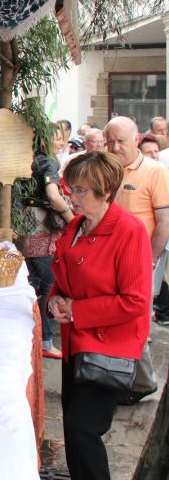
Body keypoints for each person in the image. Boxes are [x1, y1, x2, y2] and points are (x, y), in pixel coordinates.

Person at [48, 151, 152, 480]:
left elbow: (135, 301)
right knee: (73, 426)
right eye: (70, 188)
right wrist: (54, 302)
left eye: (80, 191)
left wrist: (76, 311)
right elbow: (65, 278)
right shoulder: (77, 225)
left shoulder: (129, 230)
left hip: (110, 348)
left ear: (105, 192)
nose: (71, 197)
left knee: (83, 429)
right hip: (76, 342)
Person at [107, 116, 169, 403]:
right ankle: (124, 379)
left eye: (121, 141)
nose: (115, 147)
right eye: (111, 142)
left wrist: (152, 261)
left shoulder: (155, 172)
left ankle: (143, 383)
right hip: (110, 261)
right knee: (118, 321)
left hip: (141, 262)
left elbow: (164, 222)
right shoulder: (108, 170)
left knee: (136, 322)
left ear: (136, 139)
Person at [15, 124, 74, 360]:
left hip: (23, 225)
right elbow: (52, 194)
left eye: (62, 138)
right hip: (41, 227)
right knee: (49, 285)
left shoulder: (26, 158)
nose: (61, 142)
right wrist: (71, 218)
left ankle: (29, 335)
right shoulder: (49, 162)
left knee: (30, 283)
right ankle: (45, 341)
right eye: (57, 138)